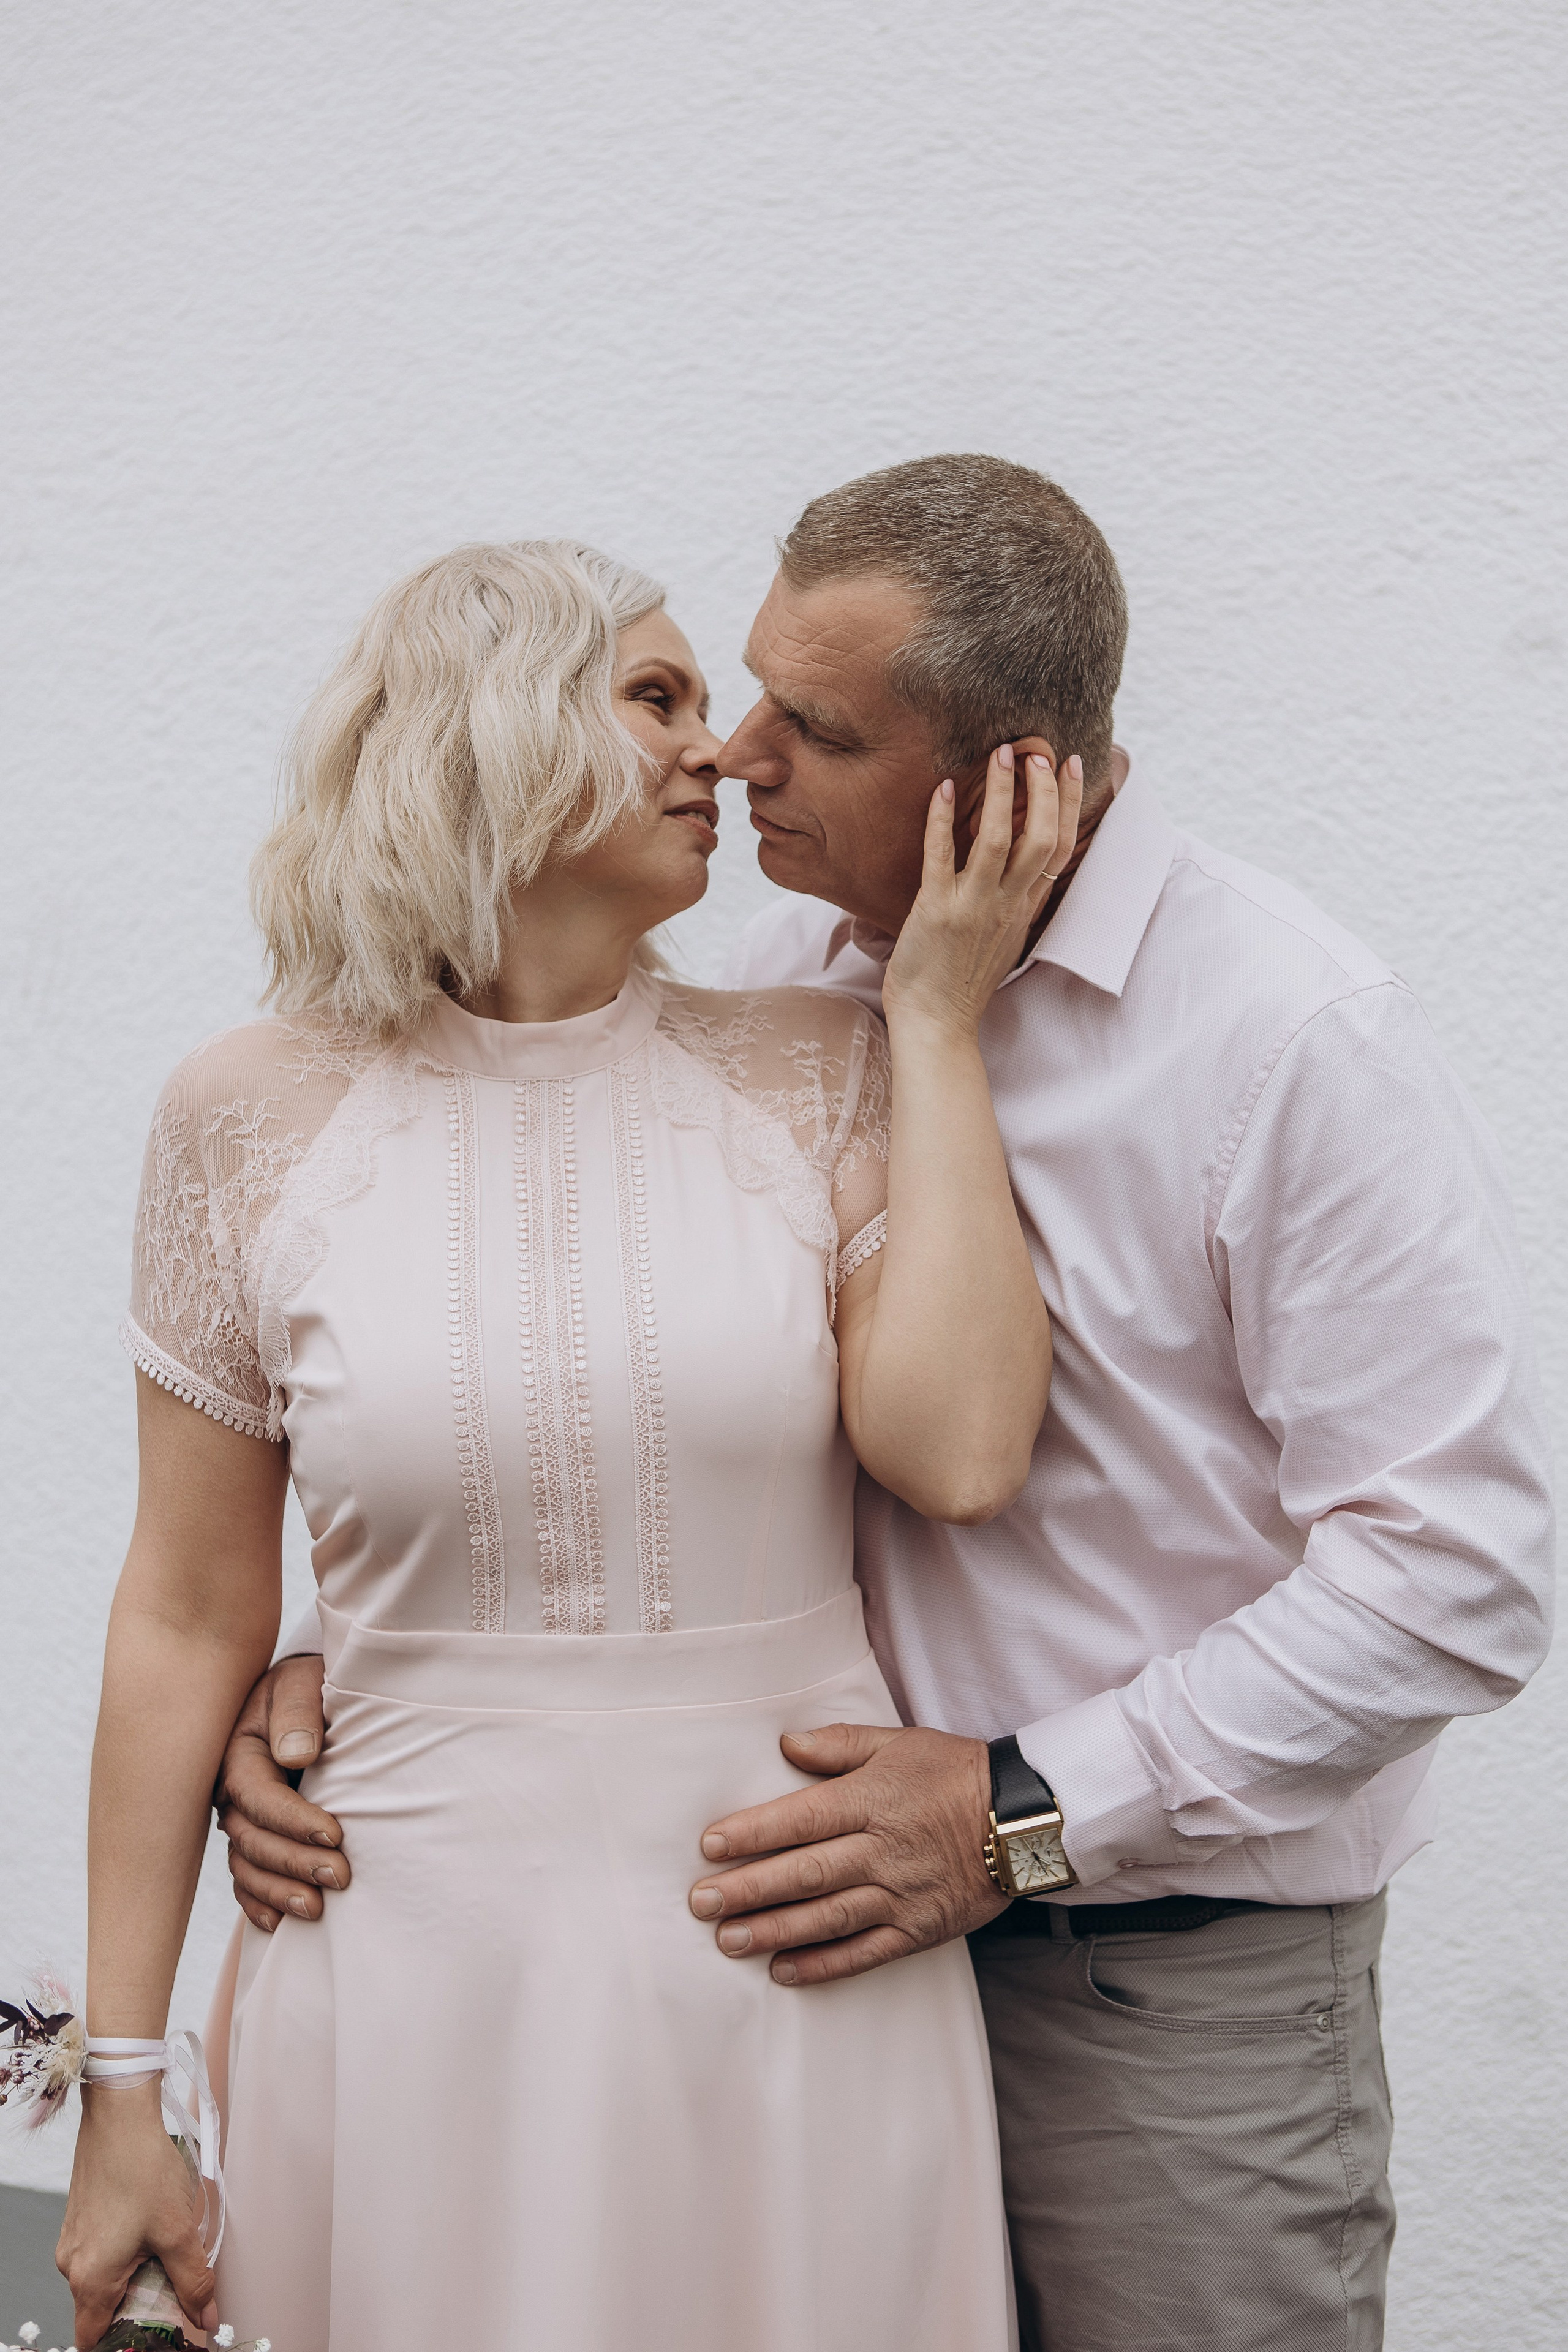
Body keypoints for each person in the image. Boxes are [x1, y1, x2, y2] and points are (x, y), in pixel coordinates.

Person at [223, 459, 1555, 2351]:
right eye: (739, 691)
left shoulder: (1290, 1041)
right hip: (790, 1962)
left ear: (1017, 774)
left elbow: (1459, 1578)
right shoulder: (770, 988)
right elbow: (641, 1407)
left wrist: (1018, 1813)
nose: (744, 757)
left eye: (817, 728)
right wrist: (343, 1659)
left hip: (1154, 1993)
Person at [59, 536, 1086, 2350]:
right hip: (403, 1965)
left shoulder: (819, 1063)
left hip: (790, 1959)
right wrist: (124, 2090)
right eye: (660, 698)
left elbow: (962, 1450)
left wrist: (931, 1018)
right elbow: (184, 1612)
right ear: (489, 735)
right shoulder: (244, 1115)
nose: (727, 753)